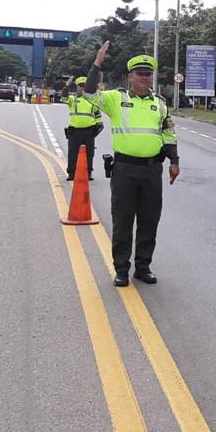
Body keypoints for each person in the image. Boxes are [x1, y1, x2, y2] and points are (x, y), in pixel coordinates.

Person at [84, 45, 180, 287]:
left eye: (148, 74)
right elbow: (89, 94)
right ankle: (121, 269)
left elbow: (168, 133)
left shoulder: (159, 103)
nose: (145, 77)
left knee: (149, 220)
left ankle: (143, 266)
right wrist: (97, 64)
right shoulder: (117, 99)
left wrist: (174, 161)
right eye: (140, 73)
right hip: (125, 170)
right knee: (123, 220)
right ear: (130, 76)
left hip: (151, 170)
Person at [63, 76, 102, 181]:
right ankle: (71, 173)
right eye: (81, 86)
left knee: (90, 153)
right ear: (77, 87)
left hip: (89, 130)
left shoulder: (92, 101)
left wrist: (99, 126)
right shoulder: (73, 99)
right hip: (75, 131)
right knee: (72, 153)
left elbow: (97, 115)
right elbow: (64, 98)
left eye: (85, 86)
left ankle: (88, 172)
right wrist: (66, 85)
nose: (83, 88)